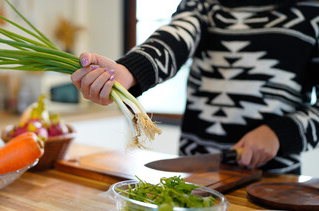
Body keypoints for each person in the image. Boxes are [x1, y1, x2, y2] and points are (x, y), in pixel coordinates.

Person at [71, 0, 319, 174]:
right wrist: (129, 71)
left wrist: (281, 134)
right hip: (198, 174)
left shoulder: (313, 11)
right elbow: (176, 37)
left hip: (273, 183)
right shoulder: (205, 3)